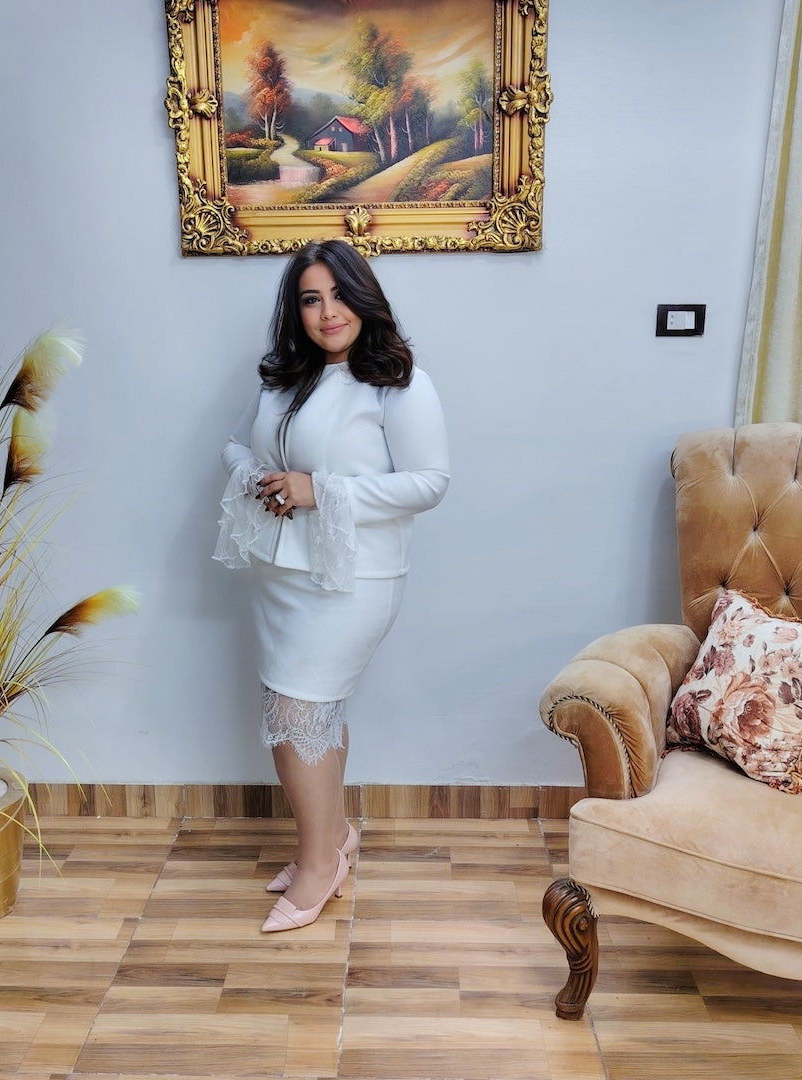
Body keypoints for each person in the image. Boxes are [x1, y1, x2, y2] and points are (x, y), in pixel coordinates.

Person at [214, 239, 450, 933]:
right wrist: (258, 479)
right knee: (309, 714)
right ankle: (332, 839)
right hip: (281, 575)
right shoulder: (282, 380)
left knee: (295, 716)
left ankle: (320, 864)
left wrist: (319, 489)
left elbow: (430, 482)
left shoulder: (399, 384)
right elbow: (236, 445)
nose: (327, 313)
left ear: (364, 297)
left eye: (340, 295)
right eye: (311, 300)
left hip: (353, 580)